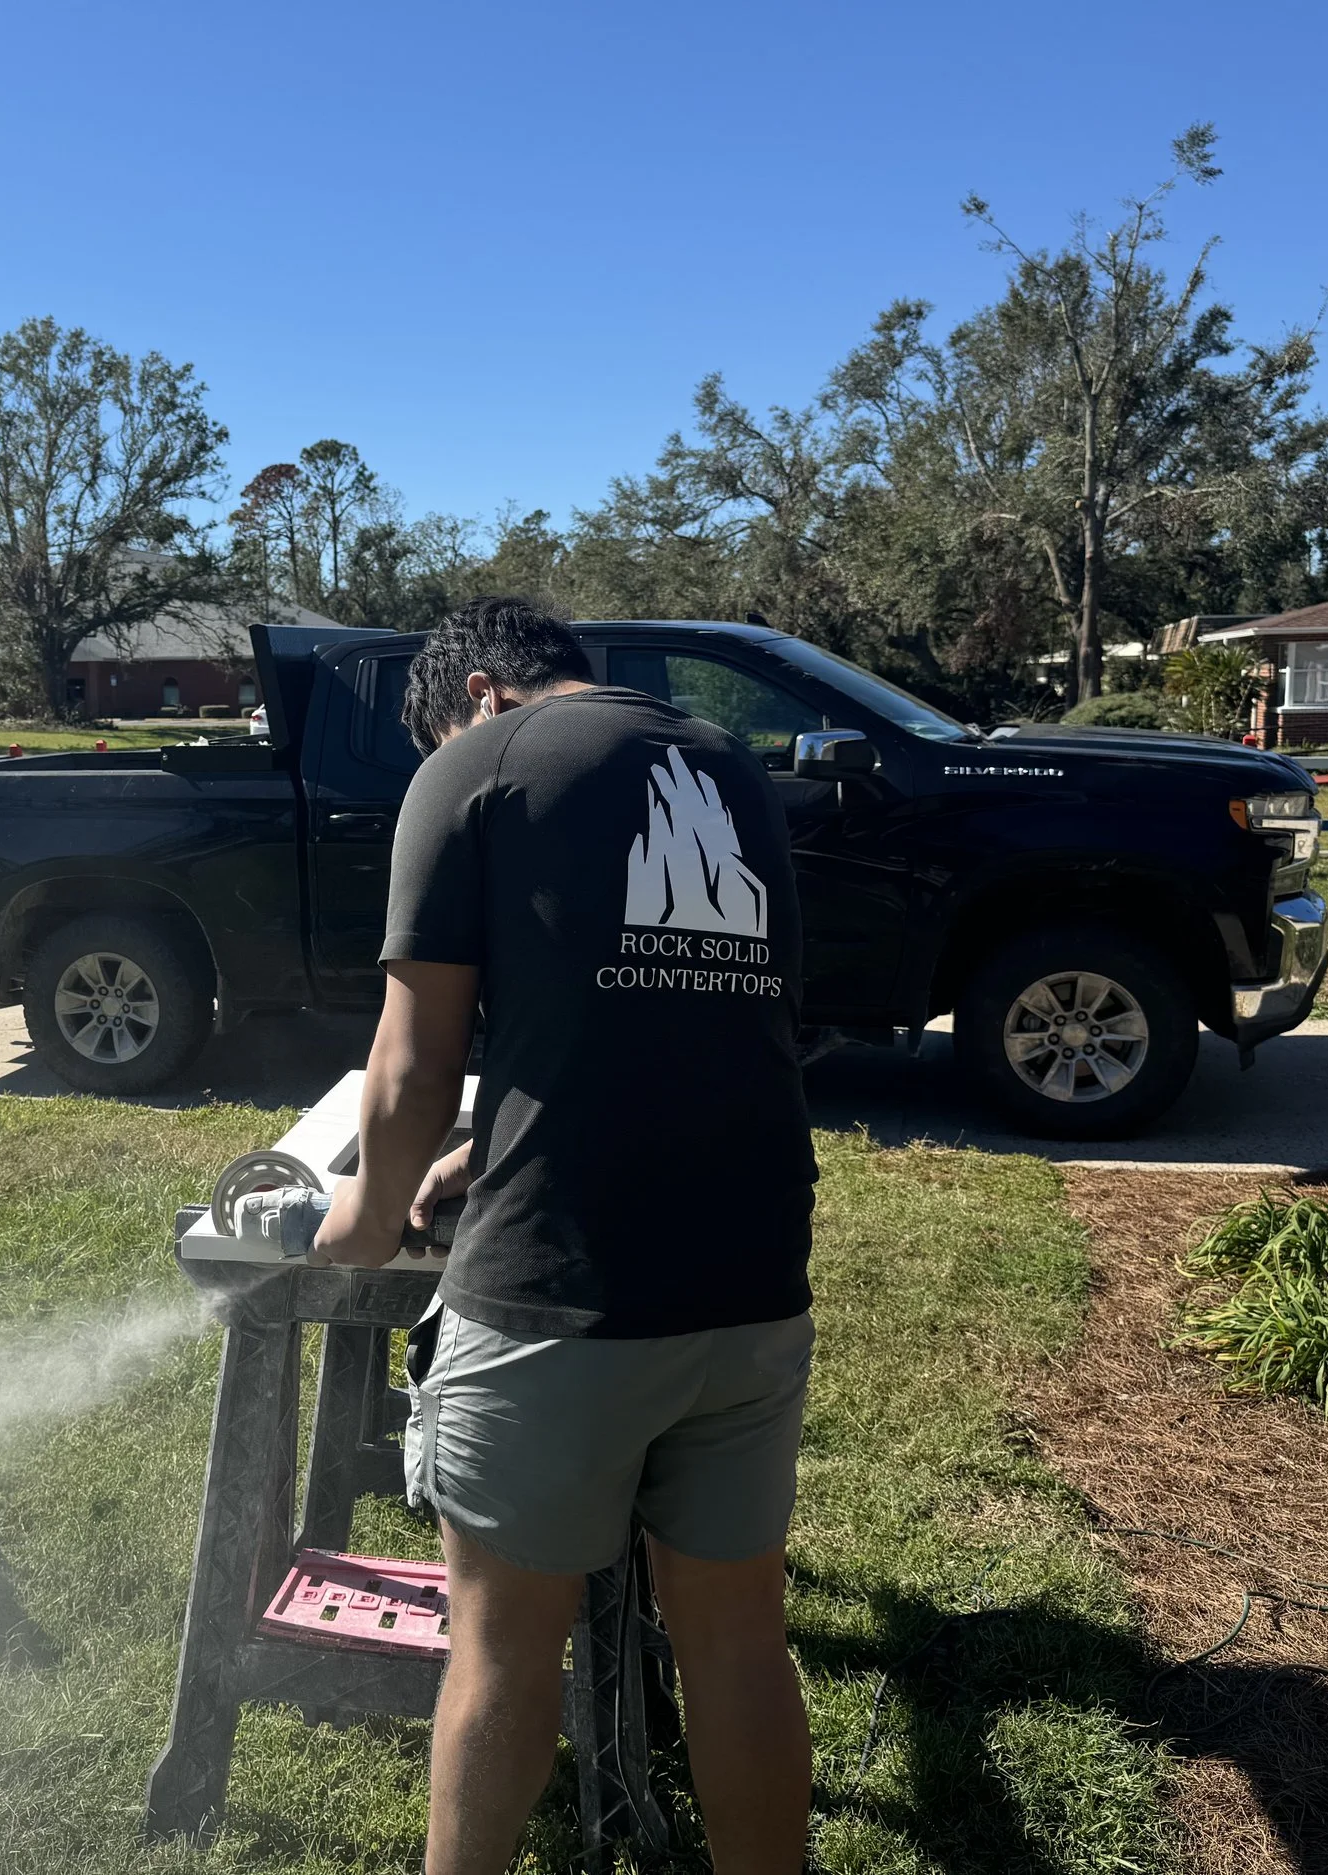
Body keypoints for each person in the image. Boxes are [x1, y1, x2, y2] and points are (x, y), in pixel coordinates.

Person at [310, 596, 819, 1875]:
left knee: (501, 1651)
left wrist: (358, 1222)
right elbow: (679, 1022)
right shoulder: (727, 768)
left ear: (477, 695)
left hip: (561, 1296)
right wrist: (493, 1150)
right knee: (738, 1645)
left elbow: (413, 1061)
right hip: (751, 1281)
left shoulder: (475, 766)